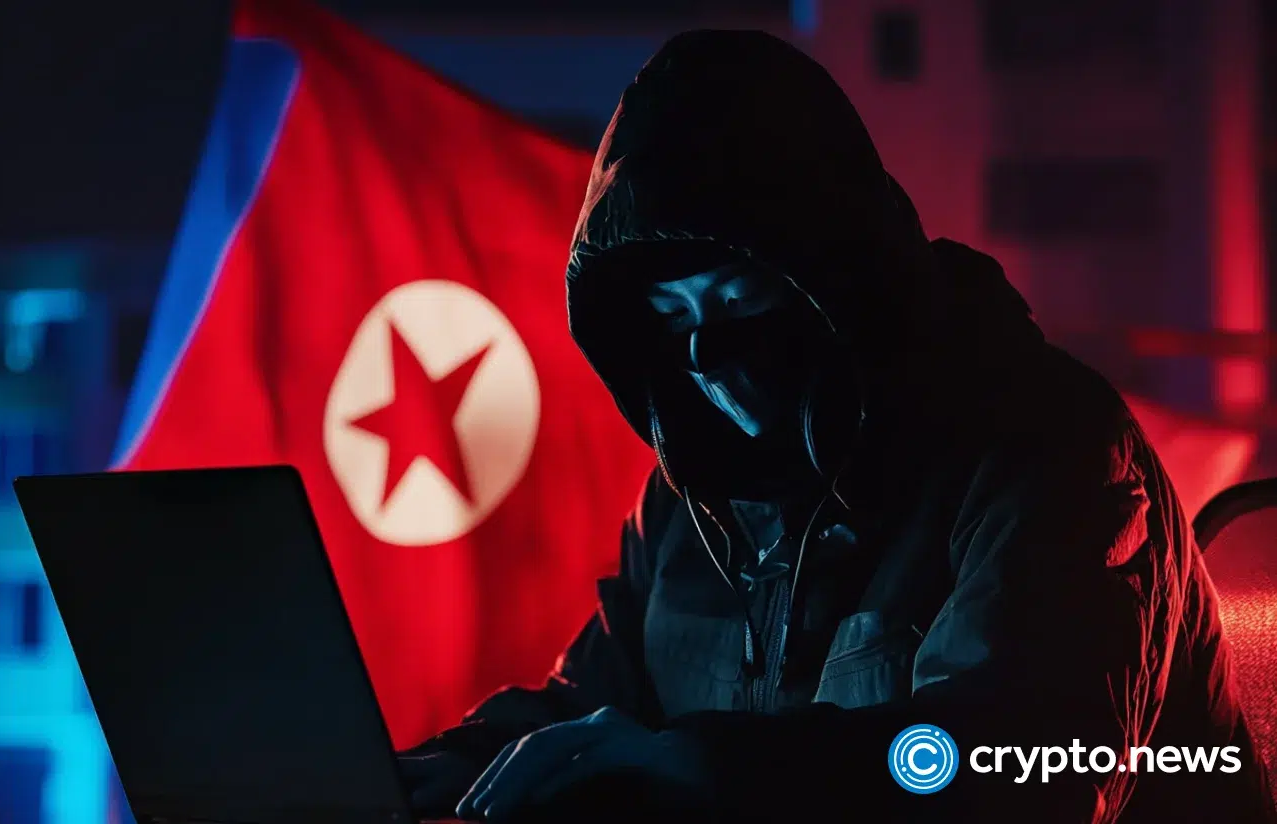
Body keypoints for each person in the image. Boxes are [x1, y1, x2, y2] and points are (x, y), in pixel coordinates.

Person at [398, 29, 1276, 823]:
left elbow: (1020, 767)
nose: (707, 355)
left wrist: (709, 770)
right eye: (672, 319)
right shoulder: (692, 503)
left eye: (740, 297)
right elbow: (595, 707)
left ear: (839, 284)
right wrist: (437, 770)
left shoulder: (1052, 450)